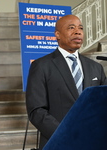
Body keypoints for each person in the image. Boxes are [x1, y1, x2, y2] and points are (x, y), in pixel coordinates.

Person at [26, 14, 106, 149]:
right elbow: (36, 110)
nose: (78, 31)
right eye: (71, 28)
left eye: (80, 28)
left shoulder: (95, 67)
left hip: (94, 142)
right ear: (57, 34)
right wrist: (66, 134)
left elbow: (103, 105)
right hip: (60, 142)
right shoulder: (41, 66)